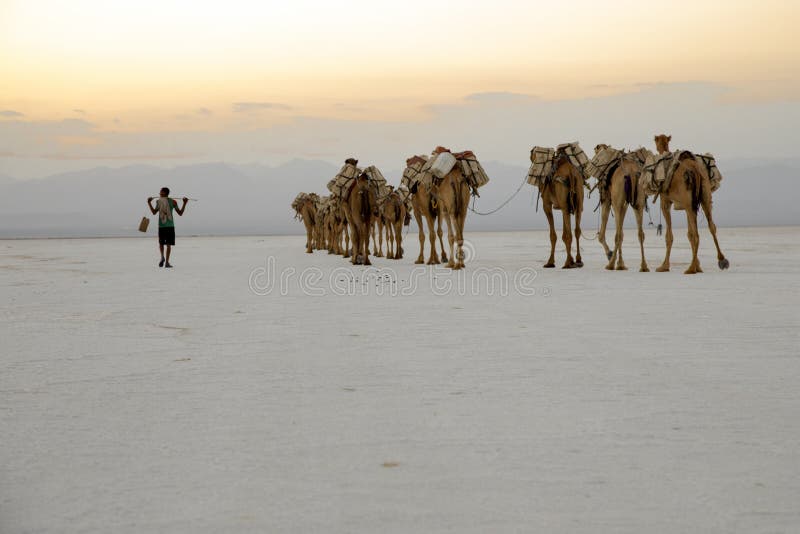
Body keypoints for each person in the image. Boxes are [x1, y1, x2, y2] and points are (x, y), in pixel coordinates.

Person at [147, 188, 188, 268]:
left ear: (165, 193)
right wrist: (185, 203)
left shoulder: (159, 202)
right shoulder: (173, 202)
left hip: (161, 225)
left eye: (161, 192)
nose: (159, 193)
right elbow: (180, 213)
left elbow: (154, 212)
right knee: (168, 244)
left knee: (161, 243)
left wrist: (149, 203)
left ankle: (162, 257)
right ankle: (167, 262)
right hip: (170, 226)